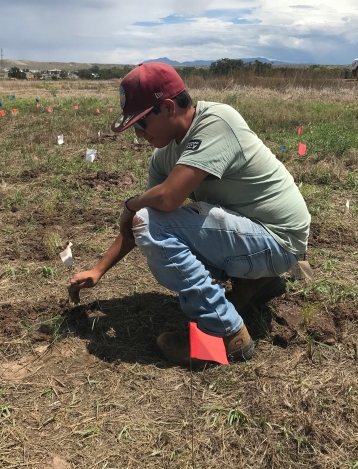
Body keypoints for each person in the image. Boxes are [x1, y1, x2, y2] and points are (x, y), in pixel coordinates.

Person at [68, 62, 310, 366]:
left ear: (168, 107)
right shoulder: (164, 157)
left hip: (279, 241)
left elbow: (162, 204)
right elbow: (148, 216)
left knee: (152, 223)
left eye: (141, 123)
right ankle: (257, 282)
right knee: (152, 222)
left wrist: (131, 205)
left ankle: (223, 331)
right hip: (253, 238)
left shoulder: (218, 121)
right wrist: (99, 270)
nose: (138, 134)